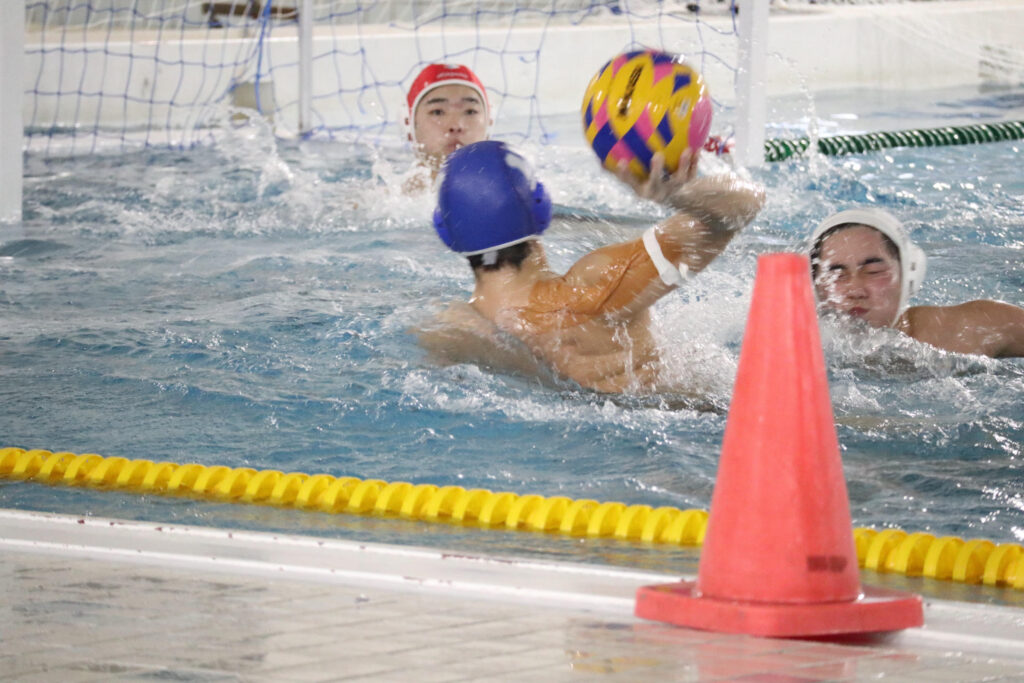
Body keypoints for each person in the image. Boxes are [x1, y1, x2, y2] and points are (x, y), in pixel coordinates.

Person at [419, 140, 766, 394]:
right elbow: (746, 205)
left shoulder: (451, 333)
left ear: (446, 232)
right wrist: (676, 195)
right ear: (541, 207)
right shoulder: (591, 288)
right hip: (691, 419)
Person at [809, 208, 1024, 358]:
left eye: (874, 271)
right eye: (836, 275)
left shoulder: (970, 330)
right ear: (815, 285)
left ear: (910, 275)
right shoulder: (800, 348)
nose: (855, 290)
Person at [404, 63, 492, 182]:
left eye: (470, 111)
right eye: (437, 112)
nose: (456, 125)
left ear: (489, 123)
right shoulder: (386, 191)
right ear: (410, 125)